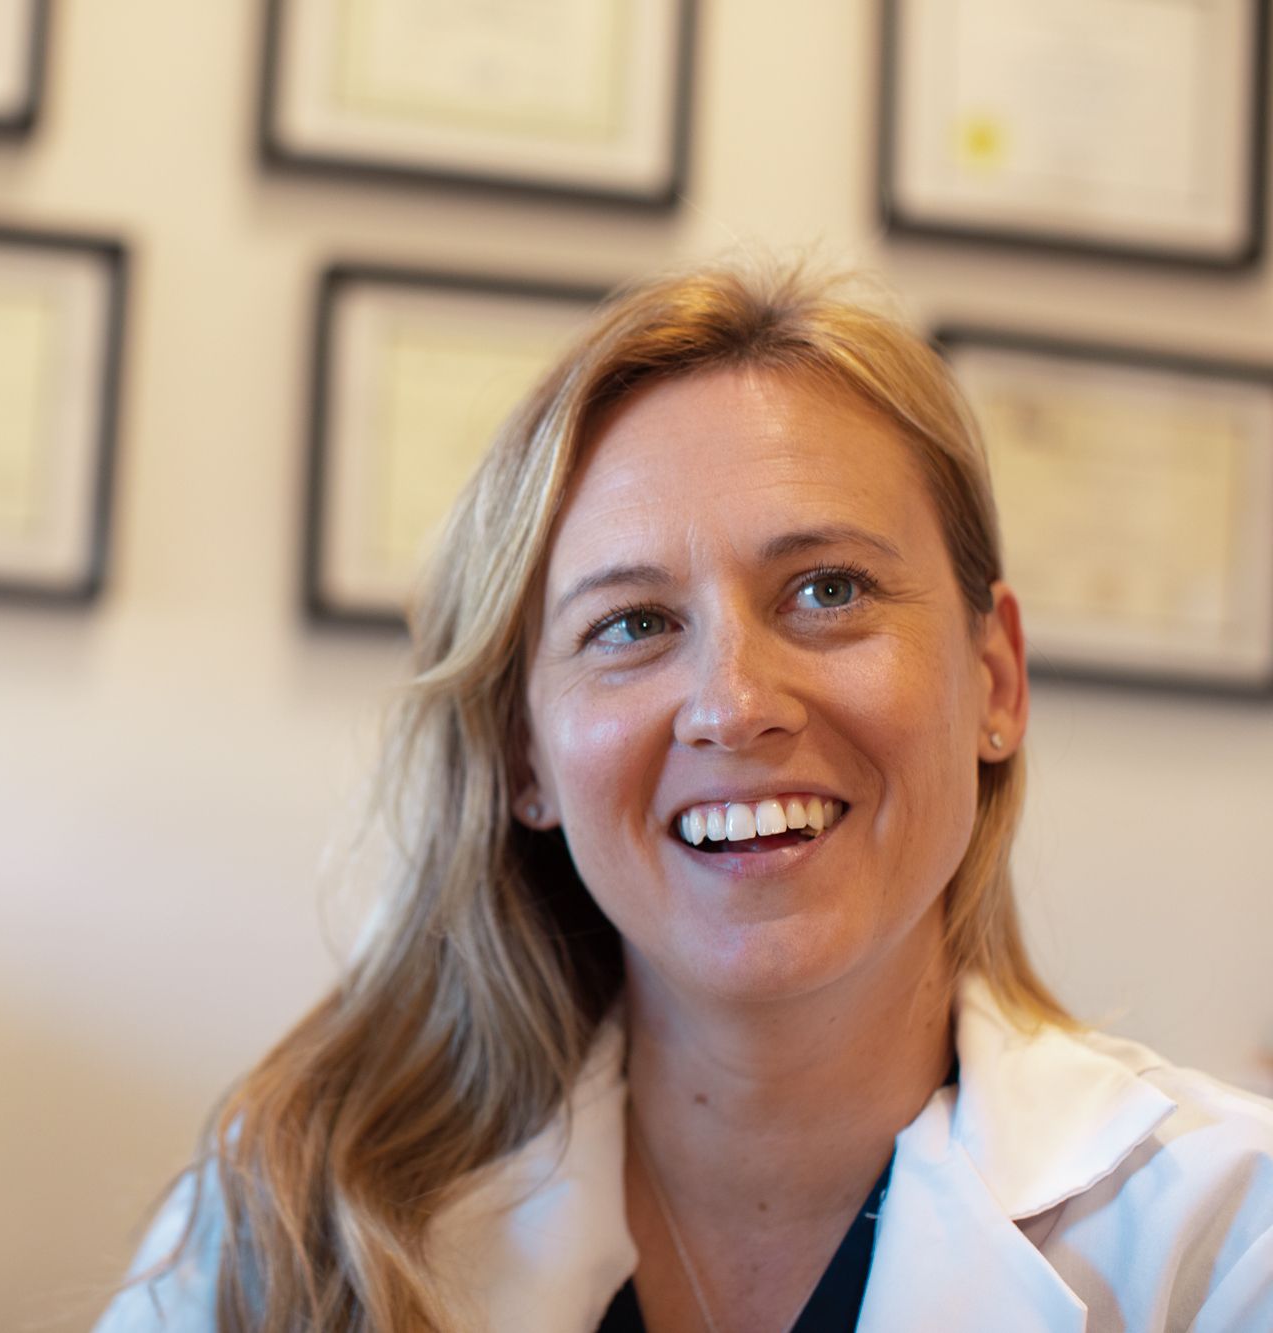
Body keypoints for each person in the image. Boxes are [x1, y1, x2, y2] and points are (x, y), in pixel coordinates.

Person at [94, 260, 1273, 1332]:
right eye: (631, 623)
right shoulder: (285, 1233)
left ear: (993, 678)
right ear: (524, 759)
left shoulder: (1228, 1238)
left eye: (825, 589)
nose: (732, 702)